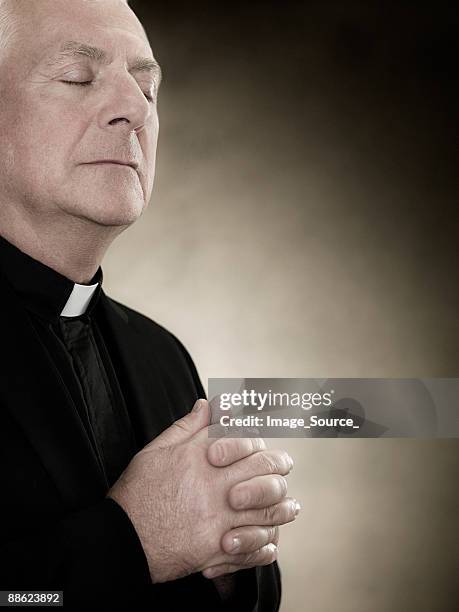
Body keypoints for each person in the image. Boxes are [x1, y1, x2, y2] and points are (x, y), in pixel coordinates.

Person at [0, 0, 300, 609]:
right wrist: (132, 542)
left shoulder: (161, 354)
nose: (136, 110)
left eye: (148, 87)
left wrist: (233, 553)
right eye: (78, 77)